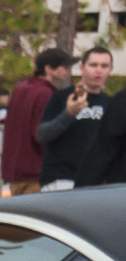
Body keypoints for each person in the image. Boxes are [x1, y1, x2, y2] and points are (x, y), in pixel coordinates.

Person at [34, 44, 123, 191]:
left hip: (95, 182)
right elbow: (42, 135)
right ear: (82, 68)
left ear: (111, 70)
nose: (99, 70)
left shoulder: (111, 103)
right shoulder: (62, 97)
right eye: (93, 65)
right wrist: (69, 114)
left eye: (104, 66)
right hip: (61, 178)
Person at [2, 48, 72, 194]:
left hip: (15, 170)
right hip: (35, 171)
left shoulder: (21, 88)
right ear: (48, 69)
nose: (68, 70)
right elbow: (42, 134)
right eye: (64, 66)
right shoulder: (46, 94)